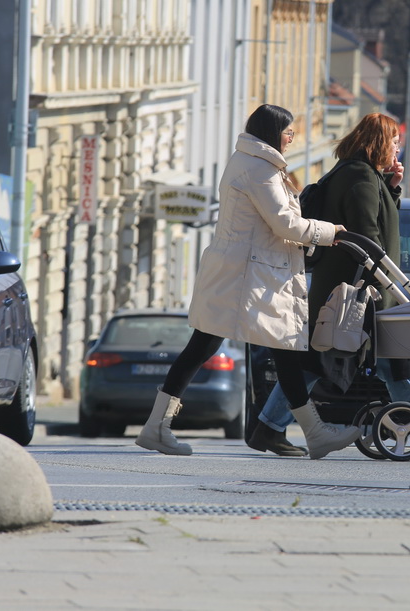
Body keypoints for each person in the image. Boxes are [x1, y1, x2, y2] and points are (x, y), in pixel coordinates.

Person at [135, 104, 359, 460]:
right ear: (273, 133)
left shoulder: (252, 162)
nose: (291, 139)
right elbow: (285, 224)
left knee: (237, 347)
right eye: (288, 133)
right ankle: (315, 433)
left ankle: (156, 427)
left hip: (243, 273)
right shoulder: (260, 169)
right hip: (247, 277)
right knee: (229, 347)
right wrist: (330, 231)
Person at [246, 113, 410, 457]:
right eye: (394, 141)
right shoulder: (359, 179)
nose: (398, 147)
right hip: (359, 291)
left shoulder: (361, 175)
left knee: (378, 361)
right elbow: (369, 237)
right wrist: (386, 283)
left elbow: (380, 222)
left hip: (352, 289)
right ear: (380, 143)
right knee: (340, 360)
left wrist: (392, 189)